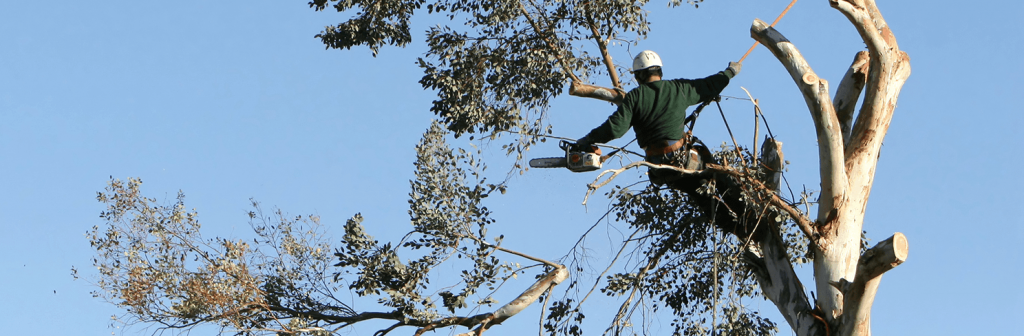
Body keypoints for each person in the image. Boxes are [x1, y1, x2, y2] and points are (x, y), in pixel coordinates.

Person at [575, 50, 741, 185]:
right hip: (683, 160)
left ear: (638, 76)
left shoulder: (635, 97)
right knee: (716, 175)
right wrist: (729, 72)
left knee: (697, 192)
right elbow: (708, 86)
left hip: (659, 168)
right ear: (659, 71)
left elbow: (614, 129)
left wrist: (588, 139)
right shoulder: (679, 88)